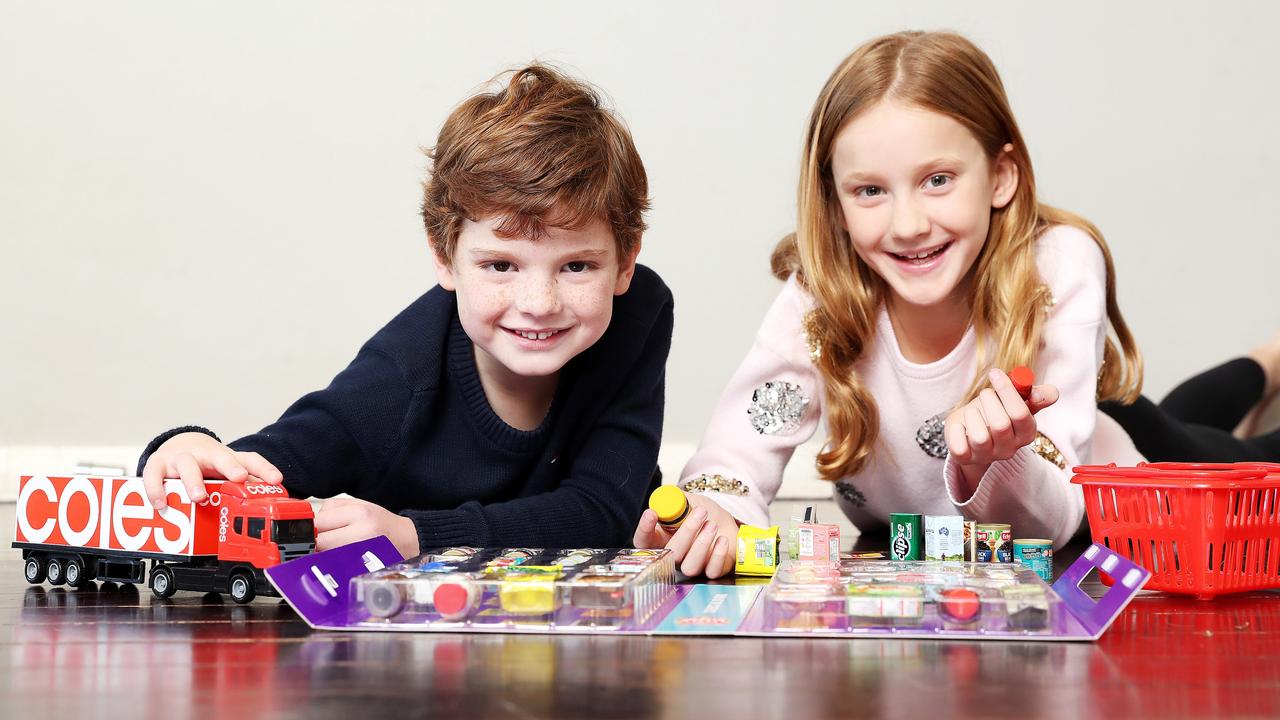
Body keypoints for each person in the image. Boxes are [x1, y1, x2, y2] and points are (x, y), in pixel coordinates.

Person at [636, 30, 1160, 578]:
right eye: (869, 191)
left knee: (1219, 442)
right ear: (835, 204)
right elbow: (740, 450)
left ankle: (1264, 366)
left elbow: (1046, 528)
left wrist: (995, 461)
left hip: (1101, 466)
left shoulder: (1058, 264)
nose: (908, 226)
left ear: (1001, 176)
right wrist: (716, 509)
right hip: (927, 538)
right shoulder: (824, 296)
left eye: (937, 180)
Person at [137, 64, 673, 560]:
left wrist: (415, 535)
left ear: (625, 262)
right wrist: (182, 447)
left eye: (576, 267)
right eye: (500, 266)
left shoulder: (638, 313)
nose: (539, 304)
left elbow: (603, 511)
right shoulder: (400, 377)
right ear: (445, 257)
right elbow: (268, 464)